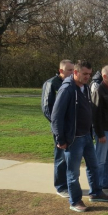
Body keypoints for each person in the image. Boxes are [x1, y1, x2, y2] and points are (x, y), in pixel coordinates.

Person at [51, 60, 108, 212]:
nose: (87, 77)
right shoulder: (67, 90)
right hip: (73, 139)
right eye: (84, 74)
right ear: (76, 73)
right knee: (73, 172)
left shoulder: (85, 88)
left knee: (94, 166)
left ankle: (96, 192)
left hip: (86, 136)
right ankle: (75, 201)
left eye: (89, 74)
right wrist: (61, 139)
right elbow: (56, 116)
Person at [41, 59, 74, 198]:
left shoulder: (73, 83)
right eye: (69, 70)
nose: (72, 73)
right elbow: (47, 108)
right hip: (59, 128)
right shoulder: (51, 84)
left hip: (71, 128)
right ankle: (61, 187)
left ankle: (69, 183)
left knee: (70, 157)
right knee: (60, 157)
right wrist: (57, 125)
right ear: (61, 71)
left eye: (73, 70)